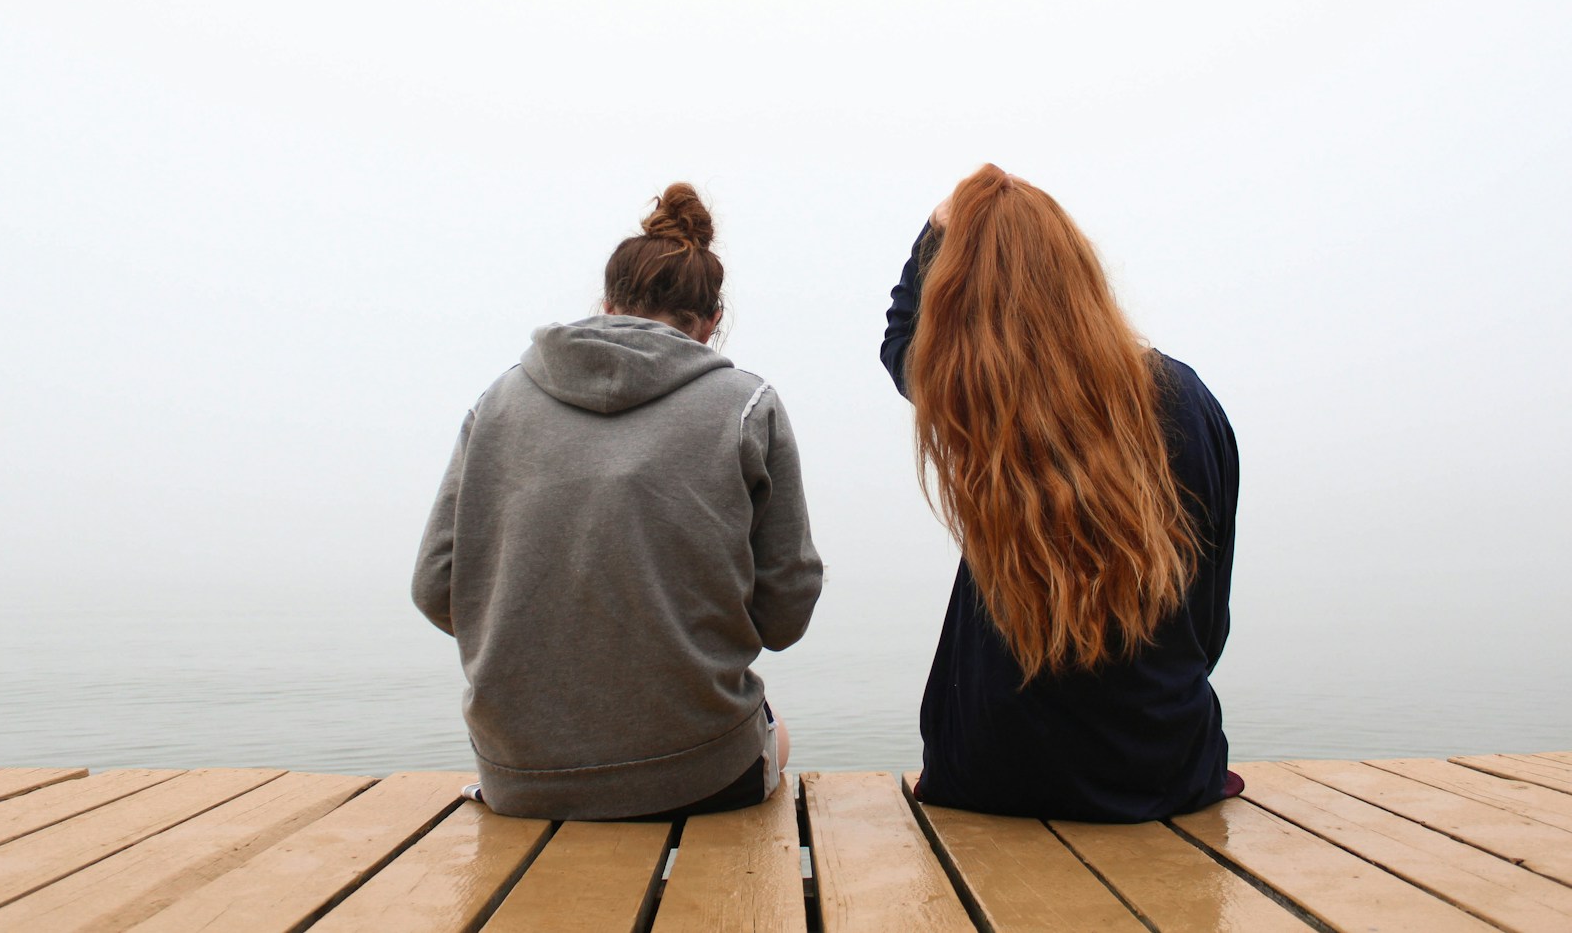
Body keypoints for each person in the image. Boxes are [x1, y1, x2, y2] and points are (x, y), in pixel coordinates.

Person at [413, 183, 823, 821]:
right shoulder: (747, 406)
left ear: (605, 305)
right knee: (778, 734)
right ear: (712, 322)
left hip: (519, 781)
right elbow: (785, 614)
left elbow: (436, 587)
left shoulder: (498, 403)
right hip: (701, 774)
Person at [880, 164, 1240, 822]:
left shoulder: (976, 402)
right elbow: (1207, 625)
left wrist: (933, 236)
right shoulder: (1189, 401)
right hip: (1159, 768)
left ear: (961, 296)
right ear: (1081, 274)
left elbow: (901, 339)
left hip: (992, 771)